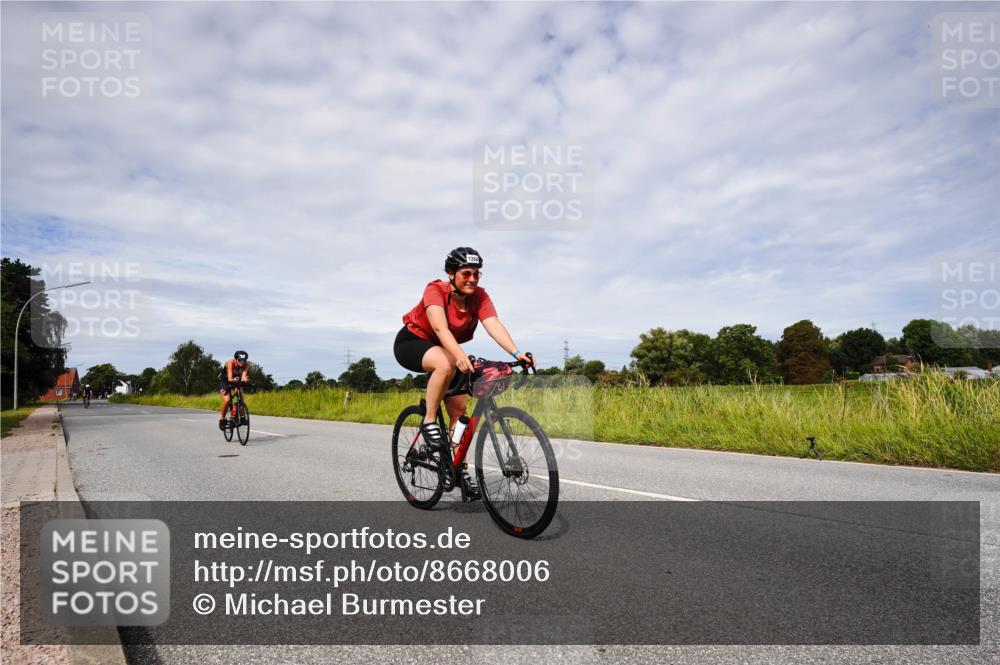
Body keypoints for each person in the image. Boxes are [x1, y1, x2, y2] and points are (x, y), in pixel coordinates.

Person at [394, 247, 535, 499]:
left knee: (459, 414)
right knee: (447, 362)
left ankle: (457, 470)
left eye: (477, 274)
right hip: (413, 342)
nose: (472, 278)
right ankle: (428, 421)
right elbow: (439, 328)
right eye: (466, 273)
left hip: (445, 349)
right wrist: (459, 356)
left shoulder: (479, 296)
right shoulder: (435, 290)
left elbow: (493, 325)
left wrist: (517, 353)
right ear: (451, 274)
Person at [218, 350, 251, 430]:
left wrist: (245, 380)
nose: (242, 362)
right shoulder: (230, 363)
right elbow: (229, 378)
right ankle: (222, 420)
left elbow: (243, 376)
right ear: (236, 359)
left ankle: (241, 416)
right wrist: (235, 379)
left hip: (236, 380)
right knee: (227, 400)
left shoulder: (247, 364)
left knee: (241, 398)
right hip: (225, 381)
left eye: (244, 360)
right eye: (240, 360)